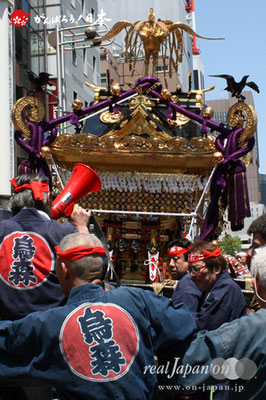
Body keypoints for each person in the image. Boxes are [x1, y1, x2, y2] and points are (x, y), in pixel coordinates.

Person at [0, 233, 265, 399]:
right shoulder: (138, 300)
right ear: (103, 269)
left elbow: (8, 339)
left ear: (64, 270)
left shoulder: (47, 323)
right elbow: (184, 324)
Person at [0, 173, 91, 321]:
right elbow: (92, 269)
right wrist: (82, 228)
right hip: (50, 327)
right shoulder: (62, 231)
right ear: (48, 199)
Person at [187, 241, 247, 331]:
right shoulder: (211, 287)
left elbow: (203, 325)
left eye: (196, 269)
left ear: (216, 268)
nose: (191, 275)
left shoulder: (226, 290)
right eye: (190, 270)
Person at [167, 238, 202, 313]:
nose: (171, 264)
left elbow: (184, 319)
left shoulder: (187, 285)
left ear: (188, 260)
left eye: (176, 259)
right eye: (169, 259)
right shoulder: (189, 281)